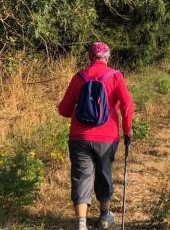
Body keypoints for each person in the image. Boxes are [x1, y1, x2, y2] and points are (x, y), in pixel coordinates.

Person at [58, 42, 134, 230]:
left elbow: (65, 110)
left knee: (81, 176)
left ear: (90, 57)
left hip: (79, 137)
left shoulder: (79, 77)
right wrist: (128, 129)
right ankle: (104, 216)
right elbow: (127, 104)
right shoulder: (115, 76)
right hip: (107, 137)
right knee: (104, 172)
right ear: (107, 58)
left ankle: (81, 223)